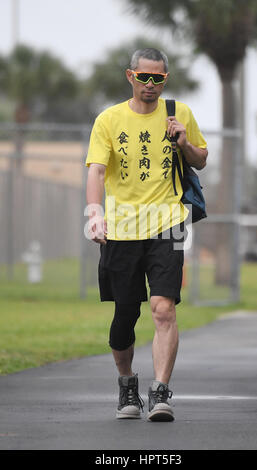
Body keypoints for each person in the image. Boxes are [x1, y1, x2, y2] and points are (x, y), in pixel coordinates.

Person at [85, 48, 208, 422]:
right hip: (121, 228)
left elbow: (201, 158)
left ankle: (160, 392)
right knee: (125, 314)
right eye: (144, 77)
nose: (150, 85)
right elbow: (95, 170)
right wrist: (94, 214)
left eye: (158, 79)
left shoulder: (179, 112)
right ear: (130, 76)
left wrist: (183, 141)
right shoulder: (109, 119)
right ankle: (127, 385)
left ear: (164, 80)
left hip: (168, 223)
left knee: (163, 308)